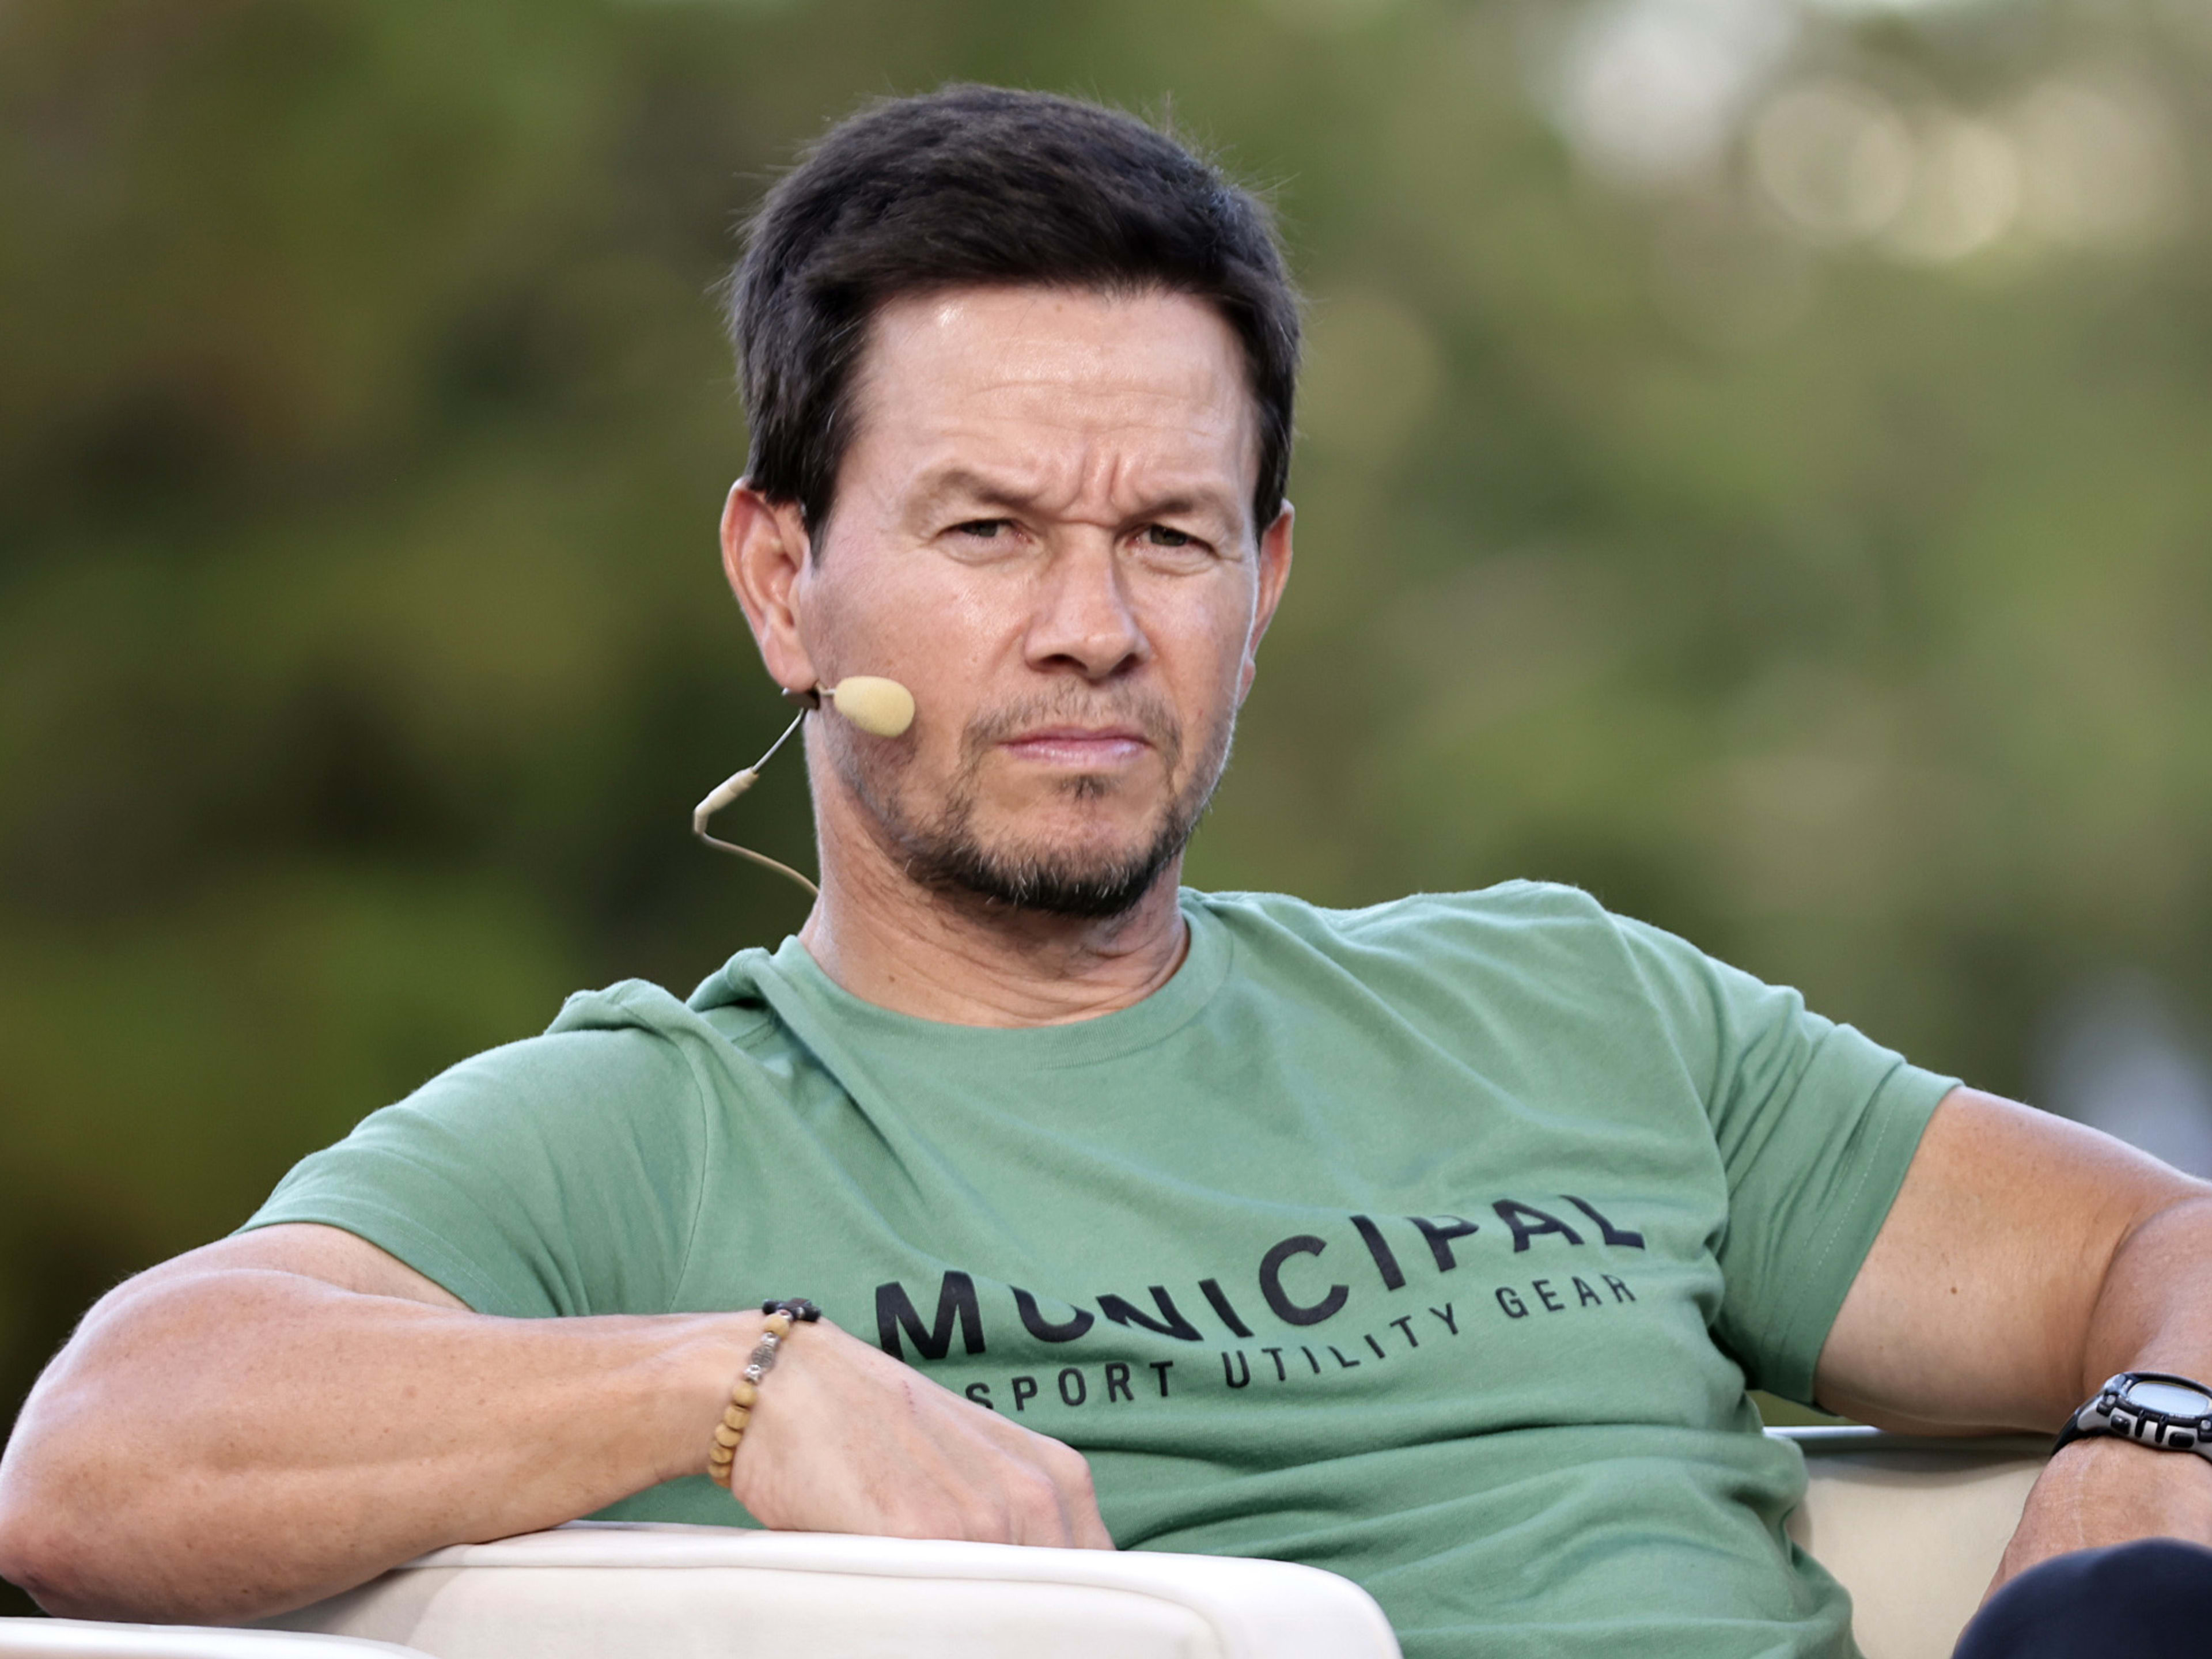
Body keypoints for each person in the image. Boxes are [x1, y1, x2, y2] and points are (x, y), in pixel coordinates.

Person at [1, 84, 2208, 1659]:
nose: (1092, 627)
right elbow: (101, 1458)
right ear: (782, 583)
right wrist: (736, 1387)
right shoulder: (645, 1137)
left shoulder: (1575, 1008)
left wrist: (2150, 1446)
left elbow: (2166, 1249)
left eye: (1168, 535)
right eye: (987, 532)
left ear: (1265, 581)